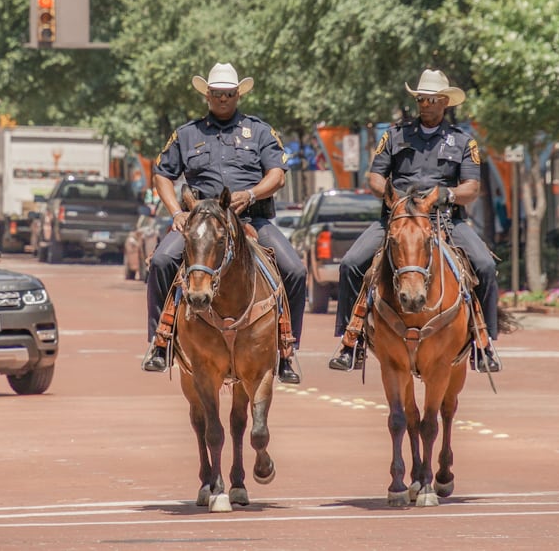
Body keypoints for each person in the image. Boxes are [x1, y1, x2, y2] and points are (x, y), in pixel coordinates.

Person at [141, 62, 307, 384]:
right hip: (201, 222)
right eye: (217, 94)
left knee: (295, 271)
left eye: (228, 94)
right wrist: (177, 213)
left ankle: (287, 350)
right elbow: (162, 174)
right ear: (207, 95)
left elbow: (277, 175)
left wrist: (252, 193)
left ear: (237, 95)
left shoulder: (260, 131)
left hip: (250, 219)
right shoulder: (187, 134)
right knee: (161, 261)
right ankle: (160, 343)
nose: (223, 99)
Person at [328, 69, 502, 374]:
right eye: (421, 99)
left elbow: (471, 188)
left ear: (445, 102)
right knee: (351, 263)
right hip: (399, 218)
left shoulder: (463, 141)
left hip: (443, 219)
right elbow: (374, 177)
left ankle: (483, 344)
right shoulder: (394, 135)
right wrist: (393, 198)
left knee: (485, 266)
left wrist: (445, 195)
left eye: (432, 100)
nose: (426, 105)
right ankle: (350, 341)